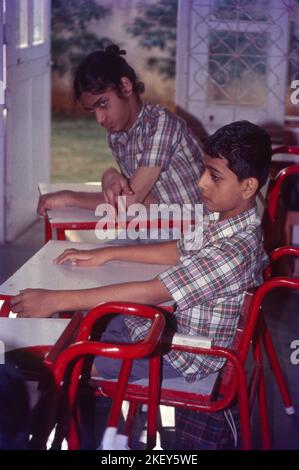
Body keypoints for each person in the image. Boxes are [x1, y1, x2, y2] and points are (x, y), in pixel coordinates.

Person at [11, 120, 272, 449]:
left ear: (247, 187)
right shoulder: (226, 218)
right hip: (166, 332)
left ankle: (105, 444)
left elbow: (152, 291)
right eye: (204, 170)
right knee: (80, 332)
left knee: (68, 362)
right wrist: (107, 254)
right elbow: (177, 250)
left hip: (182, 355)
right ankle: (112, 437)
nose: (201, 182)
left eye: (214, 176)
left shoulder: (233, 250)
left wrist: (56, 300)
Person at [37, 44, 203, 217]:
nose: (99, 119)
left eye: (103, 103)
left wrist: (70, 197)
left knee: (80, 245)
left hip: (192, 233)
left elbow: (127, 203)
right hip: (156, 224)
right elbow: (146, 199)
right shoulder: (117, 135)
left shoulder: (161, 125)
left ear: (125, 86)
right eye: (93, 110)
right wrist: (110, 177)